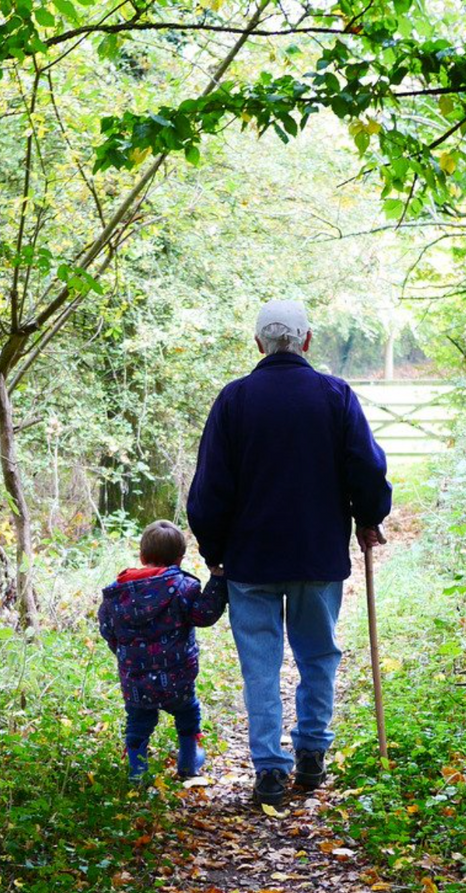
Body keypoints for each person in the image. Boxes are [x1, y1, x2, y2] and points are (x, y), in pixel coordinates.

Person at [187, 299, 391, 807]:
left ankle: (270, 771)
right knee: (318, 655)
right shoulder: (335, 395)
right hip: (317, 556)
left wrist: (214, 551)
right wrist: (369, 517)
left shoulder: (234, 401)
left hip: (249, 560)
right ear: (307, 340)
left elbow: (210, 486)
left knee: (261, 664)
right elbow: (366, 467)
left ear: (258, 343)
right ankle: (311, 755)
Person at [98, 520, 228, 780]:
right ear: (180, 559)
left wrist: (126, 656)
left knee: (138, 720)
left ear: (142, 556)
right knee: (188, 712)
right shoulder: (183, 588)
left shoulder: (118, 594)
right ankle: (189, 762)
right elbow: (204, 615)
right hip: (177, 675)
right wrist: (218, 581)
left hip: (135, 678)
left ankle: (138, 771)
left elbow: (107, 629)